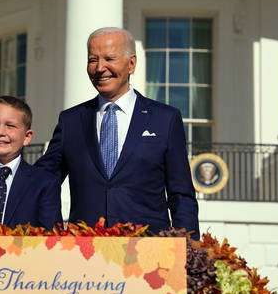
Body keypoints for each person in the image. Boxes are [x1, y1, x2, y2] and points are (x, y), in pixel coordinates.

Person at [35, 27, 199, 239]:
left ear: (131, 64)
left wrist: (189, 250)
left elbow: (181, 194)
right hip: (84, 252)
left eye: (109, 58)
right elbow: (42, 181)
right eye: (93, 59)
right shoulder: (71, 121)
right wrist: (54, 233)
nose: (100, 68)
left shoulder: (165, 119)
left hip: (148, 252)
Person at [0, 96, 62, 229]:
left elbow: (51, 239)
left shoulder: (44, 183)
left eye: (10, 126)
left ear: (27, 137)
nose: (0, 132)